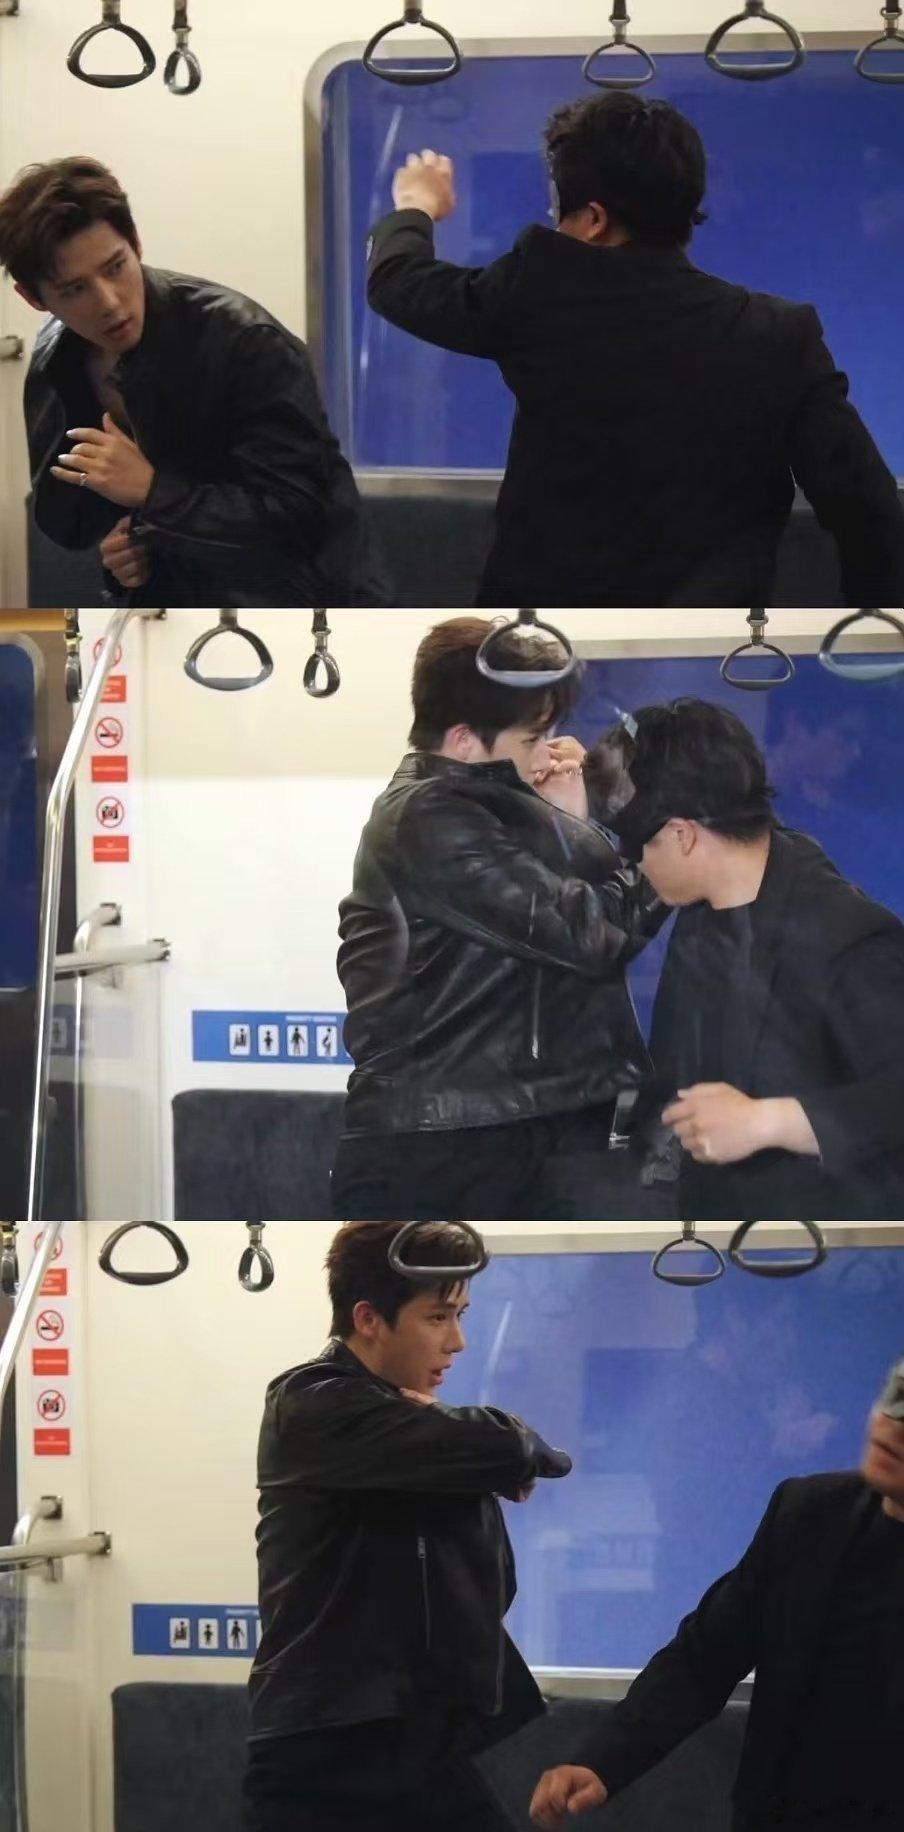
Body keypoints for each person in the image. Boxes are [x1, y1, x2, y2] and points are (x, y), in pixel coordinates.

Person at [365, 95, 904, 609]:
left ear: (594, 220)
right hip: (711, 640)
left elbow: (398, 282)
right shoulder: (778, 333)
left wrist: (416, 207)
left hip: (545, 635)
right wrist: (872, 638)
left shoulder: (537, 294)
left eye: (559, 211)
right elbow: (865, 507)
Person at [332, 616, 673, 1222]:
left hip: (522, 1124)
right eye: (533, 738)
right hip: (448, 1144)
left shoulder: (498, 806)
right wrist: (674, 854)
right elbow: (588, 932)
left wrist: (572, 819)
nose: (551, 753)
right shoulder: (429, 814)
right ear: (464, 741)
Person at [244, 1219, 572, 1832]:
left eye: (460, 1316)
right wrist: (475, 1444)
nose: (458, 1342)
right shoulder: (311, 1403)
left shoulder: (401, 1425)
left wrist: (459, 1440)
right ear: (369, 1319)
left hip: (409, 1738)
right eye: (437, 1318)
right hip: (323, 1751)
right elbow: (513, 1450)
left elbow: (533, 1463)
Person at [530, 1355, 904, 1832]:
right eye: (896, 1395)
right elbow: (704, 1658)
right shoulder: (810, 1513)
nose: (894, 1423)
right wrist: (601, 1762)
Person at [0, 157, 387, 607]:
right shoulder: (58, 358)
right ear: (34, 298)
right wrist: (127, 547)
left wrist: (152, 492)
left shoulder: (246, 342)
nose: (109, 302)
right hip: (173, 608)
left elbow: (300, 518)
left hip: (311, 606)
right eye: (74, 290)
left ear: (135, 242)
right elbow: (71, 523)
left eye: (115, 267)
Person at [578, 698, 904, 1220]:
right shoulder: (703, 910)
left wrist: (770, 1121)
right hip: (711, 1228)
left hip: (816, 1243)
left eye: (636, 851)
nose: (634, 867)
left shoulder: (846, 935)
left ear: (682, 835)